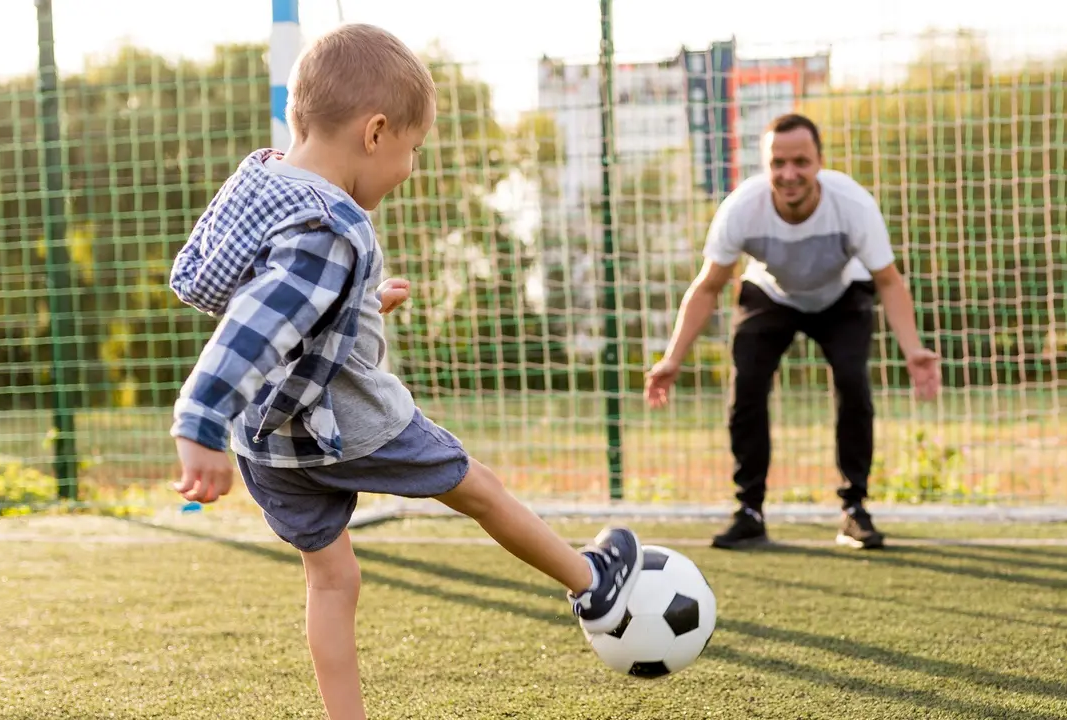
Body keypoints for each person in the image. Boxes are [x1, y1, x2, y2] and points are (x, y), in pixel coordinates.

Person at [166, 24, 642, 720]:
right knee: (476, 486)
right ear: (376, 131)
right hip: (347, 421)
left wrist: (354, 299)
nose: (410, 166)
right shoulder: (329, 229)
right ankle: (591, 581)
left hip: (268, 444)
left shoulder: (263, 183)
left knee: (332, 579)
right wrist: (197, 423)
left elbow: (239, 284)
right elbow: (253, 326)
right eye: (413, 150)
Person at [644, 113, 940, 551]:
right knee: (746, 387)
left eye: (800, 161)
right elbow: (708, 286)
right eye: (777, 163)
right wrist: (672, 357)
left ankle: (854, 509)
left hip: (841, 293)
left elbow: (889, 281)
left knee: (853, 383)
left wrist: (913, 349)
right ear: (765, 165)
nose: (789, 174)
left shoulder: (852, 205)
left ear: (819, 162)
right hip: (771, 293)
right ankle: (750, 511)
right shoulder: (742, 209)